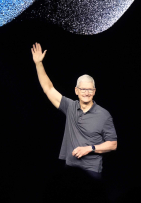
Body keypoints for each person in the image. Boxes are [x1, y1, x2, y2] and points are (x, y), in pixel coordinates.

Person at [31, 42, 118, 178]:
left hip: (91, 171)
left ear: (94, 91)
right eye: (83, 89)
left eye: (90, 89)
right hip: (70, 169)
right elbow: (48, 88)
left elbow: (113, 144)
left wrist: (90, 148)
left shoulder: (103, 115)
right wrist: (38, 64)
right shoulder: (70, 107)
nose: (86, 92)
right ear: (76, 90)